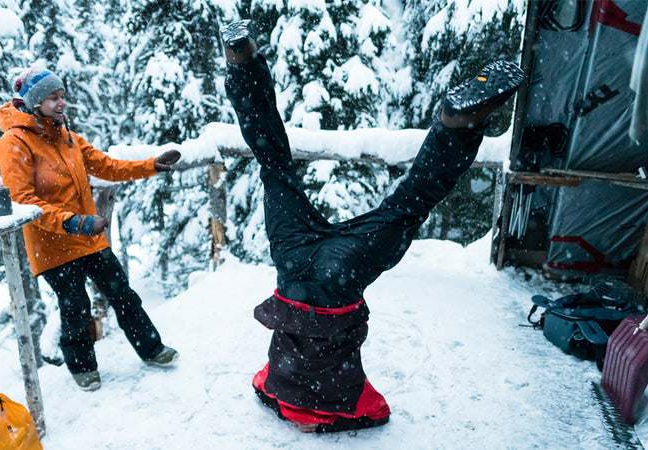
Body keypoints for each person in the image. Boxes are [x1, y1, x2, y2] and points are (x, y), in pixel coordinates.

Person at [220, 20, 525, 433]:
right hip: (293, 262)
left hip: (340, 273)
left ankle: (456, 125)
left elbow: (377, 415)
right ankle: (242, 63)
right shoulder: (273, 381)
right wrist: (297, 412)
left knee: (408, 205)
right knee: (273, 164)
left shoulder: (344, 395)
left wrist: (327, 425)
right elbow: (267, 392)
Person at [0, 68, 182, 392]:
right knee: (76, 307)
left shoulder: (67, 137)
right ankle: (82, 366)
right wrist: (72, 222)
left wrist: (151, 165)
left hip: (88, 237)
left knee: (122, 293)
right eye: (53, 97)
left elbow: (107, 166)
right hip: (52, 244)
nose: (61, 102)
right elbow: (23, 200)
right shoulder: (14, 142)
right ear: (35, 102)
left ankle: (152, 349)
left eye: (62, 96)